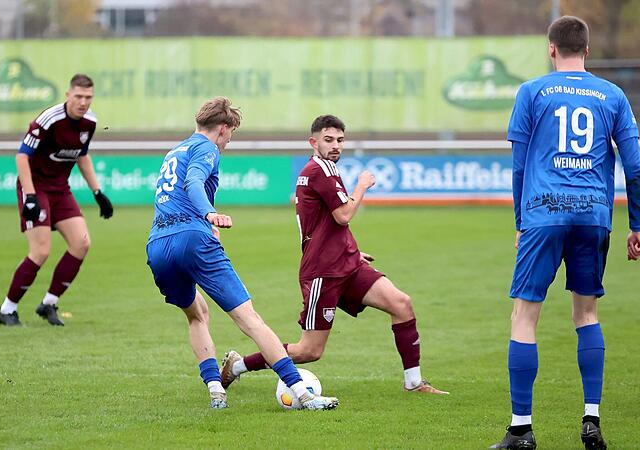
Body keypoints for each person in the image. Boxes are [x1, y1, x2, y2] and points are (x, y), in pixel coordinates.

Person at [490, 16, 640, 450]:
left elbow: (519, 166)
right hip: (594, 214)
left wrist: (521, 220)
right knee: (587, 315)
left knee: (524, 315)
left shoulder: (532, 91)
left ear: (551, 48)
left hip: (544, 212)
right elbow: (634, 164)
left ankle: (521, 429)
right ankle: (591, 419)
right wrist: (637, 224)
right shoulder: (612, 95)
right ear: (587, 51)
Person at [220, 114, 448, 396]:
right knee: (309, 351)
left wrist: (350, 251)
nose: (336, 145)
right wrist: (363, 185)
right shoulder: (319, 172)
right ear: (313, 142)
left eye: (340, 140)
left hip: (346, 263)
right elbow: (343, 215)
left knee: (401, 303)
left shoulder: (324, 169)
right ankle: (238, 365)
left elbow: (321, 223)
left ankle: (414, 383)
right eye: (328, 140)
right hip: (323, 272)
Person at [145, 96, 339, 410]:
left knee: (197, 314)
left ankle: (215, 390)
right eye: (231, 133)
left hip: (158, 244)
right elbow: (194, 182)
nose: (229, 141)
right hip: (192, 238)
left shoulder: (176, 150)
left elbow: (176, 192)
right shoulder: (206, 148)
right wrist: (209, 214)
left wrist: (202, 221)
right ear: (223, 128)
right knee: (249, 320)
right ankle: (303, 394)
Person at [0, 73, 114, 327]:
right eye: (79, 96)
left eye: (88, 97)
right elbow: (21, 157)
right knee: (41, 251)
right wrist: (29, 196)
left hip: (60, 189)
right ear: (68, 95)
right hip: (35, 187)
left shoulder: (90, 122)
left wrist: (98, 192)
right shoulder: (49, 119)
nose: (83, 102)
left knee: (81, 243)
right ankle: (7, 309)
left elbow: (82, 156)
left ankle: (48, 303)